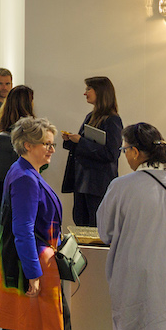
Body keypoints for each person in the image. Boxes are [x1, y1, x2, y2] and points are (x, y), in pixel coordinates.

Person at [97, 123, 166, 330]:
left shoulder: (121, 187)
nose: (125, 155)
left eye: (124, 150)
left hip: (140, 279)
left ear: (135, 152)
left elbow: (105, 232)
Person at [0, 117, 65, 330]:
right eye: (46, 144)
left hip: (23, 260)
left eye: (53, 144)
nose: (51, 149)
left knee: (19, 328)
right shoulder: (25, 178)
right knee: (31, 328)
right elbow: (23, 230)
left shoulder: (22, 170)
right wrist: (33, 274)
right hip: (29, 264)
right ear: (28, 145)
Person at [61, 75, 122, 226]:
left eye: (89, 89)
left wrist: (80, 141)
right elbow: (85, 147)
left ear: (100, 92)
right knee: (80, 223)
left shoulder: (112, 120)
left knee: (95, 226)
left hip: (98, 185)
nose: (85, 93)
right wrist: (71, 141)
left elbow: (112, 153)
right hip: (82, 182)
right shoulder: (91, 116)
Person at [0, 85, 36, 263]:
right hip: (26, 182)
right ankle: (15, 258)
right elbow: (40, 161)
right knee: (22, 220)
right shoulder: (33, 129)